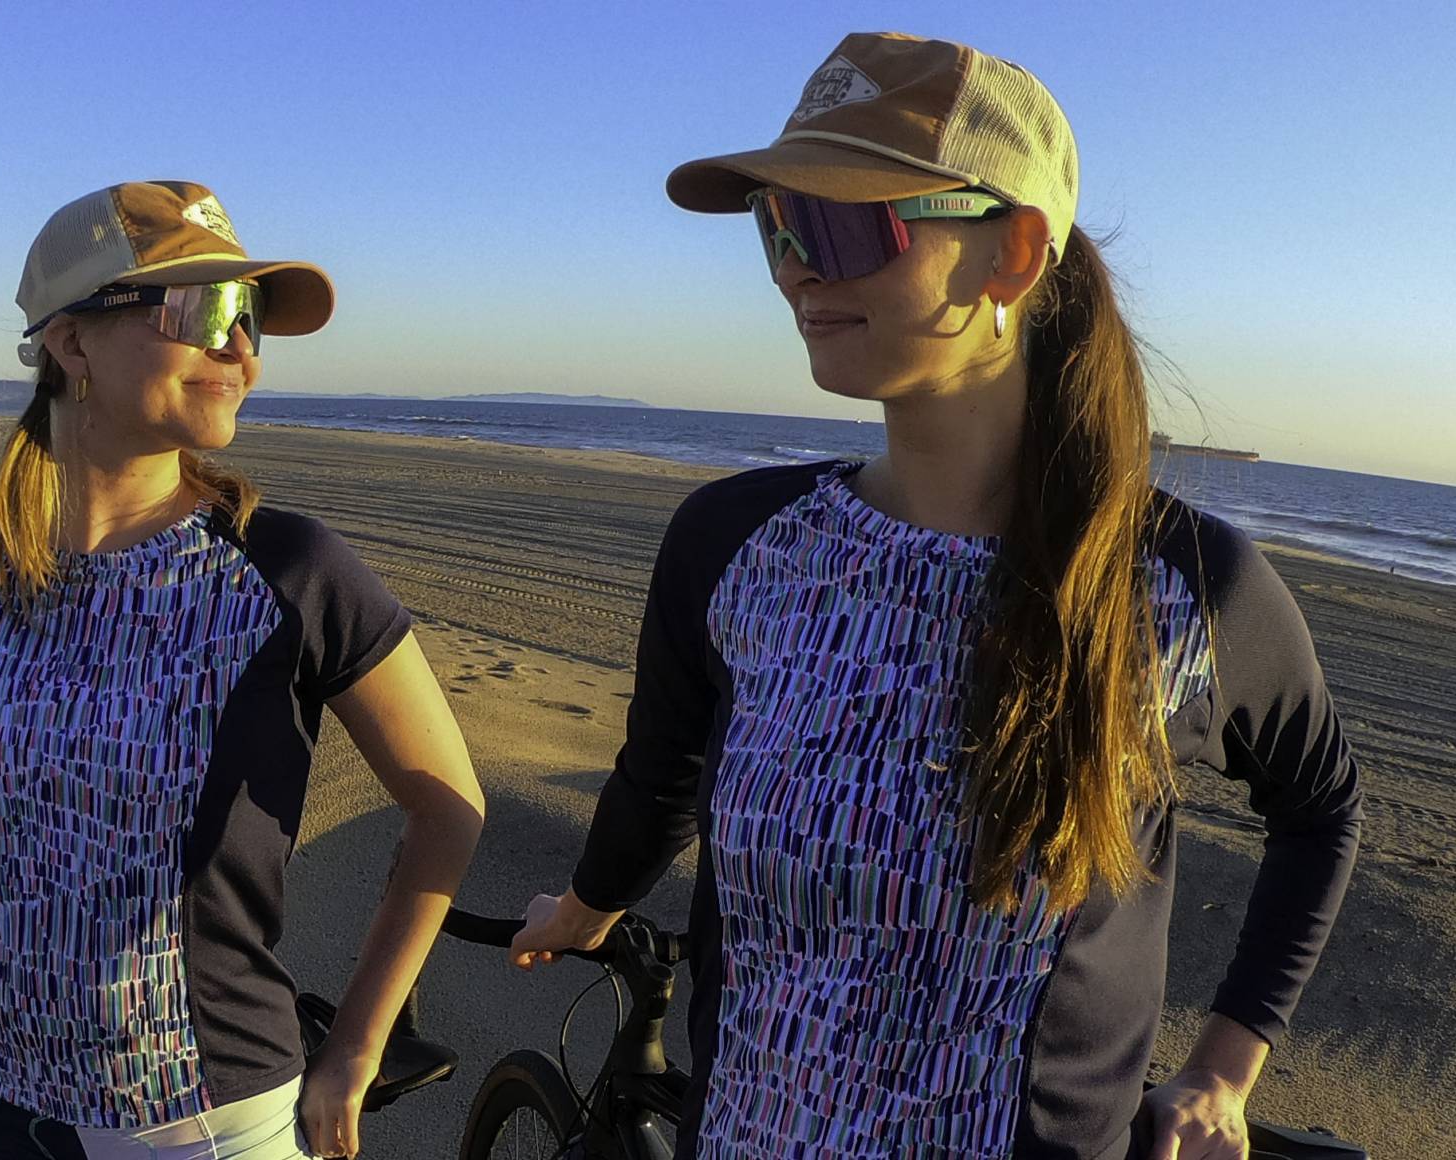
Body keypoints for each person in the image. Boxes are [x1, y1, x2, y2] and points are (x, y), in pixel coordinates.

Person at [506, 35, 1362, 1160]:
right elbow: (664, 771)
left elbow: (1320, 806)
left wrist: (1223, 1068)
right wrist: (585, 904)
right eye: (775, 223)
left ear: (1013, 252)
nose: (794, 269)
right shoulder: (733, 545)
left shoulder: (1185, 590)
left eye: (842, 224)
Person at [0, 180, 484, 1160]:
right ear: (71, 341)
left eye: (249, 317)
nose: (242, 349)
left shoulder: (289, 572)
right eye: (204, 310)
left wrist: (357, 1044)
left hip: (206, 1126)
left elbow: (448, 806)